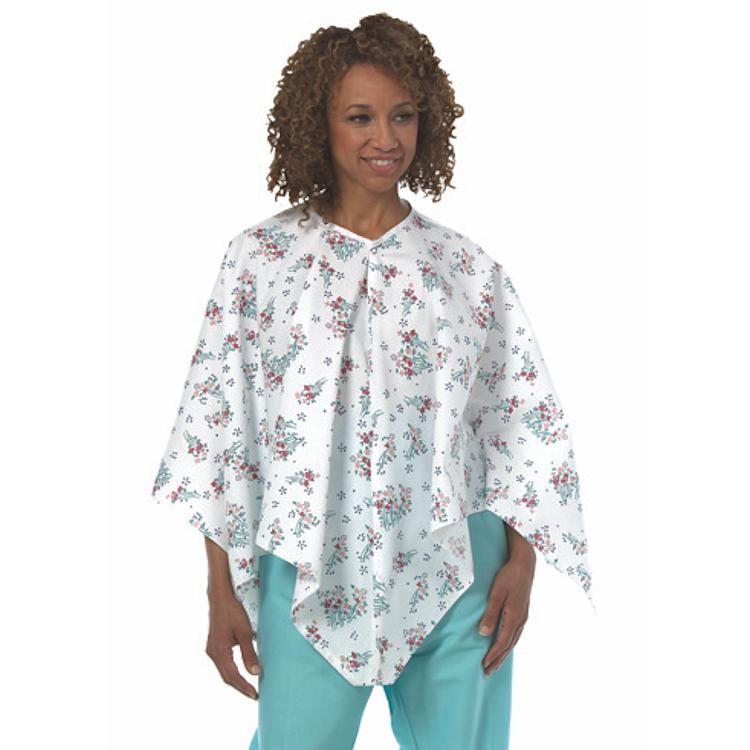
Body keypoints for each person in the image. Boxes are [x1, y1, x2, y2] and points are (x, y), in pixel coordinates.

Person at [150, 12, 594, 749]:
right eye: (360, 117)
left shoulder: (465, 269)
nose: (385, 138)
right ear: (318, 125)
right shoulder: (261, 261)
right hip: (308, 561)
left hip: (457, 570)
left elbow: (518, 421)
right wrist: (219, 589)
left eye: (402, 115)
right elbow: (219, 428)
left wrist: (521, 565)